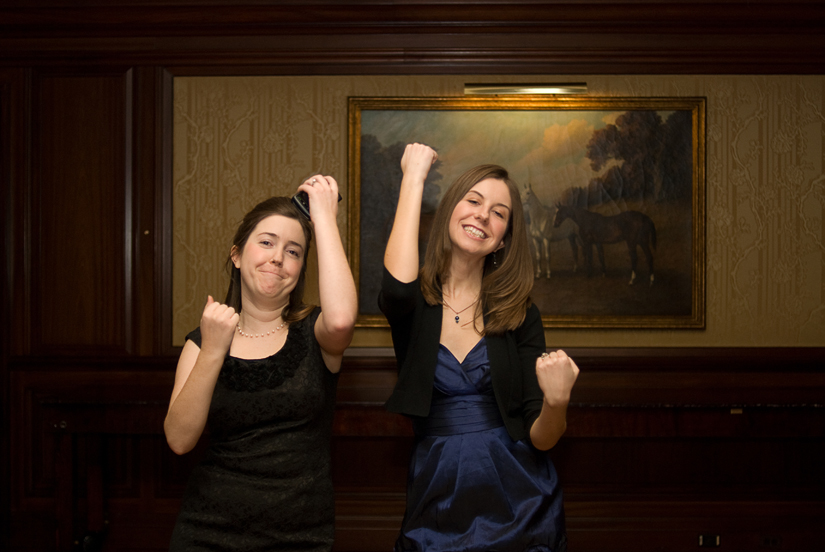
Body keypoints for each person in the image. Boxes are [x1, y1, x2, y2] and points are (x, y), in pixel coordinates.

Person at [379, 143, 579, 552]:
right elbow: (396, 289)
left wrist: (556, 403)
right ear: (451, 209)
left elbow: (542, 439)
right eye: (473, 201)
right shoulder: (414, 304)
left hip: (520, 503)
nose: (483, 215)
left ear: (503, 239)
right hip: (436, 494)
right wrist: (413, 178)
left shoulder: (523, 314)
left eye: (499, 213)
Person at [164, 175, 357, 551]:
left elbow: (341, 321)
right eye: (266, 243)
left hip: (299, 535)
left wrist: (324, 219)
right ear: (237, 255)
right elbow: (179, 440)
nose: (277, 258)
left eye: (294, 251)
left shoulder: (315, 333)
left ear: (301, 267)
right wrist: (215, 350)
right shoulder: (202, 340)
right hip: (207, 531)